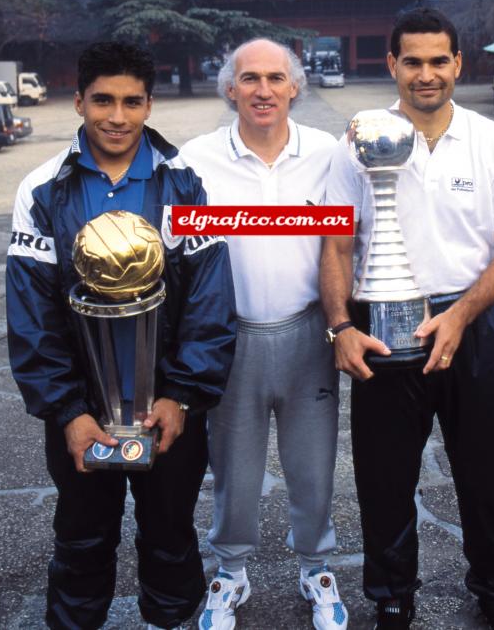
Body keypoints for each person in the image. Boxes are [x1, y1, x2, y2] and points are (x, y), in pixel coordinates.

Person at [6, 42, 237, 630]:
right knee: (81, 543)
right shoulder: (42, 190)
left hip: (167, 409)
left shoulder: (187, 183)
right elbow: (32, 316)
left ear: (149, 105)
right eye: (103, 100)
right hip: (84, 414)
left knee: (170, 540)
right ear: (79, 101)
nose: (117, 116)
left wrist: (182, 395)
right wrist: (67, 412)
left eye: (132, 102)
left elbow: (210, 301)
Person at [320, 8, 494, 630]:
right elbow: (334, 243)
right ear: (392, 65)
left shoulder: (489, 138)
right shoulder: (359, 138)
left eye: (440, 60)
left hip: (473, 318)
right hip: (382, 326)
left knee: (490, 469)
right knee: (385, 476)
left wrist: (463, 313)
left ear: (458, 64)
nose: (427, 74)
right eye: (412, 61)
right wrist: (339, 326)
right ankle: (391, 597)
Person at [181, 39, 348, 630]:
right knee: (235, 469)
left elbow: (349, 236)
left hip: (307, 334)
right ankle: (230, 571)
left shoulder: (329, 152)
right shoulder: (196, 159)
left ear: (294, 86)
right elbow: (176, 249)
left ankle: (317, 568)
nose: (263, 90)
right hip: (233, 339)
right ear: (230, 88)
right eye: (249, 78)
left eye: (276, 78)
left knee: (313, 464)